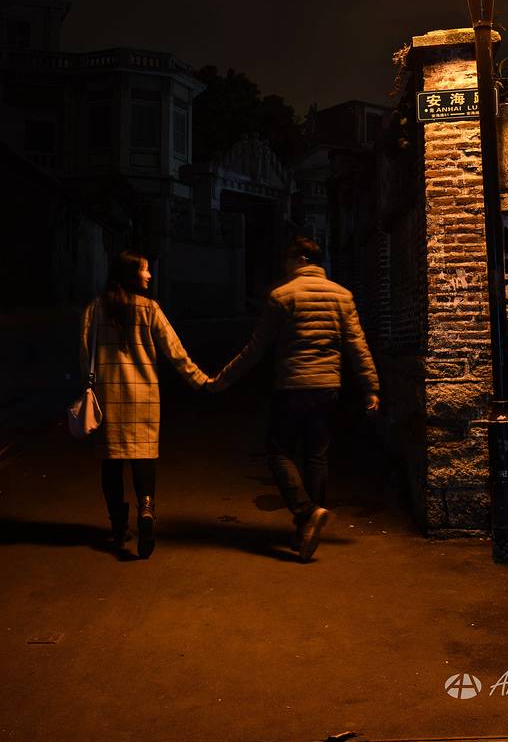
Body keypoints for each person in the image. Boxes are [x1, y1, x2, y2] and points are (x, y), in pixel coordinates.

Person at [208, 236, 380, 563]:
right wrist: (371, 387)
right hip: (328, 387)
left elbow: (255, 349)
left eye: (288, 260)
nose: (285, 267)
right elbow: (357, 346)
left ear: (300, 259)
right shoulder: (342, 296)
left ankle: (305, 512)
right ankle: (306, 531)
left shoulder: (282, 296)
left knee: (278, 452)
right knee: (317, 456)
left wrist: (222, 380)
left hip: (292, 387)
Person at [80, 250, 212, 558]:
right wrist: (201, 381)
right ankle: (147, 510)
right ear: (131, 274)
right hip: (144, 398)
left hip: (107, 397)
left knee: (111, 463)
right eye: (144, 270)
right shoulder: (149, 309)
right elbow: (175, 352)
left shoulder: (95, 309)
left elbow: (85, 355)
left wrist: (94, 382)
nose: (149, 275)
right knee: (143, 457)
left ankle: (118, 525)